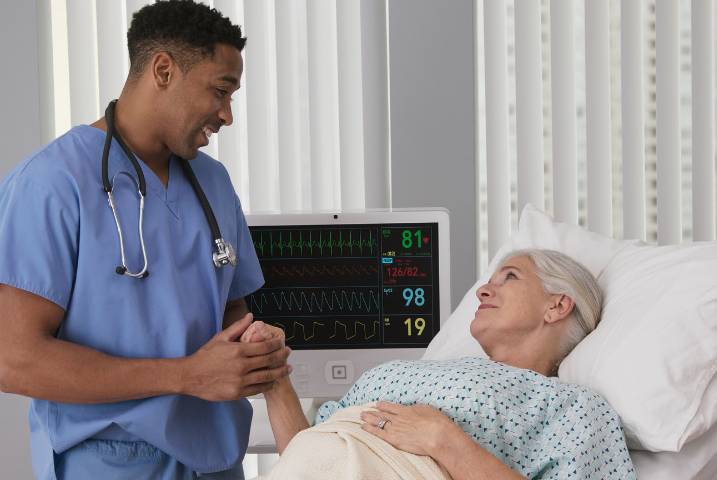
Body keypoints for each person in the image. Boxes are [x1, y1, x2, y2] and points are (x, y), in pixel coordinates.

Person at [0, 1, 292, 479]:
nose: (227, 115)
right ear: (162, 70)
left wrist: (257, 351)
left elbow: (232, 317)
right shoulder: (50, 184)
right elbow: (15, 360)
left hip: (215, 460)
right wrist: (188, 375)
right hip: (110, 463)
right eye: (220, 91)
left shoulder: (212, 182)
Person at [241, 249, 637, 479]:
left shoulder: (574, 407)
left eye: (510, 277)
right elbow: (305, 455)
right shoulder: (429, 368)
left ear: (557, 305)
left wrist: (443, 441)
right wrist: (275, 377)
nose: (483, 289)